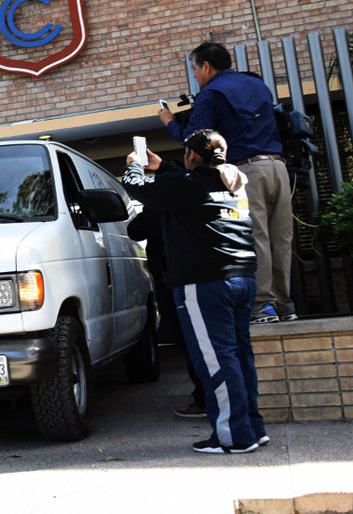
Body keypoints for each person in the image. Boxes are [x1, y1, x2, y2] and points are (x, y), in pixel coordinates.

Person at [122, 130, 266, 454]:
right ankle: (252, 428)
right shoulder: (234, 181)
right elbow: (188, 186)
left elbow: (138, 188)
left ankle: (233, 437)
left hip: (205, 284)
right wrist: (164, 167)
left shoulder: (188, 186)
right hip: (242, 278)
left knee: (216, 362)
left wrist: (134, 165)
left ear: (193, 156)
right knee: (240, 357)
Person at [159, 42, 295, 324]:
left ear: (206, 66)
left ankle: (262, 306)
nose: (195, 75)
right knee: (280, 238)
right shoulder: (259, 86)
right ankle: (285, 305)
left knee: (254, 236)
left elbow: (194, 138)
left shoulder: (210, 94)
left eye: (195, 69)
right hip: (277, 167)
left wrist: (169, 122)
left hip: (246, 171)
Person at [126, 207, 206, 418]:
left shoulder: (165, 201)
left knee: (190, 341)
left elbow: (135, 229)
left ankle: (205, 399)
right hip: (192, 277)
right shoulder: (189, 199)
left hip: (174, 280)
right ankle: (210, 397)